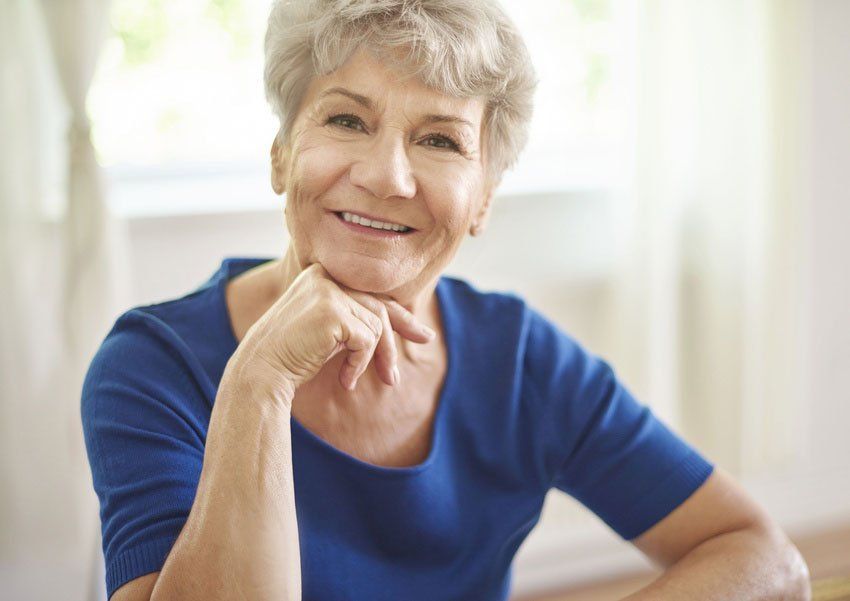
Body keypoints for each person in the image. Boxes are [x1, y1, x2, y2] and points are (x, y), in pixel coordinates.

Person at [81, 1, 809, 600]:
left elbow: (764, 558)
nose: (388, 176)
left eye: (439, 139)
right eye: (346, 120)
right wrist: (259, 380)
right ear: (280, 155)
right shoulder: (152, 366)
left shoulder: (519, 358)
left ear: (484, 198)